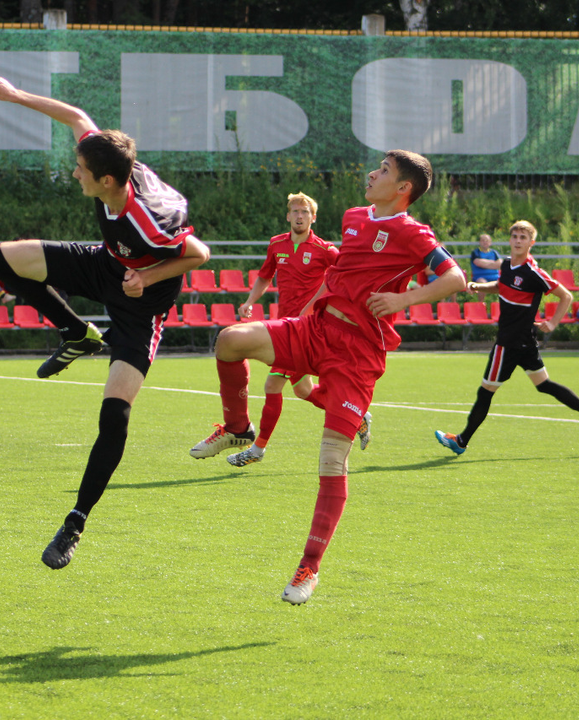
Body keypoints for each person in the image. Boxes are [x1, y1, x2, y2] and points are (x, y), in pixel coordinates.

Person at [190, 150, 466, 605]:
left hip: (358, 354)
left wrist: (402, 301)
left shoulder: (412, 231)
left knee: (331, 462)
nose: (372, 173)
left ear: (403, 189)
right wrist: (304, 313)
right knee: (230, 340)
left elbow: (454, 278)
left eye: (383, 171)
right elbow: (337, 274)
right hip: (316, 329)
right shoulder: (354, 217)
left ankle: (309, 568)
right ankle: (239, 429)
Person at [0, 74, 211, 571]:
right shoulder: (113, 166)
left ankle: (75, 522)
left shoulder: (148, 220)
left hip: (140, 307)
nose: (75, 172)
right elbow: (76, 116)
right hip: (106, 264)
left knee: (114, 416)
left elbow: (198, 253)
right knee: (0, 259)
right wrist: (13, 95)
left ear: (107, 180)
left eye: (81, 169)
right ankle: (75, 333)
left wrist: (147, 277)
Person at [434, 220, 579, 459]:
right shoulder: (506, 264)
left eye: (523, 237)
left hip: (509, 343)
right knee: (544, 385)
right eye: (514, 236)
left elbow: (565, 295)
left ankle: (461, 441)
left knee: (486, 392)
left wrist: (553, 323)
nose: (517, 241)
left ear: (531, 243)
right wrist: (478, 286)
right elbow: (502, 286)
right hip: (524, 341)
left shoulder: (533, 272)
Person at [226, 192, 341, 468]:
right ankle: (355, 415)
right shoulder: (277, 244)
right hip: (283, 326)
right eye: (295, 211)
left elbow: (343, 274)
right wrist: (249, 302)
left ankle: (257, 449)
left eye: (305, 212)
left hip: (305, 330)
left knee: (272, 385)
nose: (300, 216)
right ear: (288, 216)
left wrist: (317, 307)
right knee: (303, 390)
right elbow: (265, 276)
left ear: (313, 218)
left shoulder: (325, 250)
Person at [469, 233, 503, 303]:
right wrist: (493, 264)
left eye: (487, 240)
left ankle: (503, 303)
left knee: (505, 282)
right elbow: (478, 262)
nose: (485, 242)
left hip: (495, 277)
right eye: (483, 240)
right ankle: (481, 303)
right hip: (480, 277)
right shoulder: (476, 253)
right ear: (479, 242)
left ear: (490, 242)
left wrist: (485, 263)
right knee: (482, 283)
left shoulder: (494, 252)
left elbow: (500, 264)